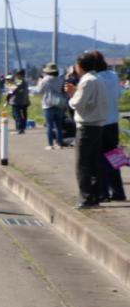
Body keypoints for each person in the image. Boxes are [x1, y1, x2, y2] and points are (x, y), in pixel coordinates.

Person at [64, 51, 108, 209]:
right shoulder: (99, 79)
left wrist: (71, 95)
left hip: (86, 126)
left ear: (80, 66)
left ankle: (85, 198)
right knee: (95, 163)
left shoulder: (86, 81)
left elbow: (77, 103)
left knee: (82, 164)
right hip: (98, 124)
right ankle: (95, 197)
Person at [95, 53, 126, 202]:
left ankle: (103, 193)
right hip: (113, 121)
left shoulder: (94, 79)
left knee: (99, 160)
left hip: (98, 123)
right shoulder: (113, 76)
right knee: (113, 157)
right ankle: (118, 192)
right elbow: (119, 94)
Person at [32, 63, 68, 150]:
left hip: (47, 104)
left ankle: (50, 144)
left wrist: (39, 81)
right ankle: (59, 143)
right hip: (59, 104)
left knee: (49, 126)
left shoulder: (45, 80)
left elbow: (39, 91)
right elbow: (63, 91)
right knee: (58, 126)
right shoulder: (60, 80)